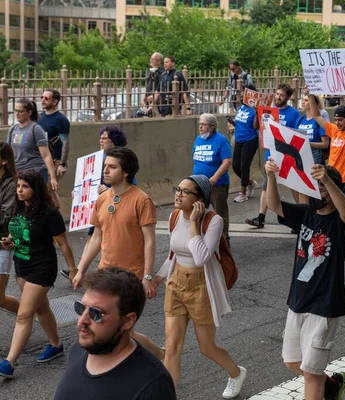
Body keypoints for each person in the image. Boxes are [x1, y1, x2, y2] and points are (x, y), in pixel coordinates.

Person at [152, 175, 247, 398]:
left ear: (200, 200)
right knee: (172, 346)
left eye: (186, 192)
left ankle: (236, 373)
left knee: (206, 347)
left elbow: (201, 256)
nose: (178, 194)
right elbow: (173, 255)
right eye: (178, 188)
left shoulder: (213, 221)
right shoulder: (174, 216)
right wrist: (156, 279)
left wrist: (194, 222)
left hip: (202, 287)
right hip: (176, 283)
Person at [265, 159, 345, 400]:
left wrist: (326, 179)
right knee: (293, 362)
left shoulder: (340, 222)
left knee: (311, 372)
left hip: (324, 305)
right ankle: (332, 385)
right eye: (315, 186)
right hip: (298, 300)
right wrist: (271, 176)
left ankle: (323, 387)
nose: (318, 191)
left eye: (323, 187)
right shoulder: (306, 214)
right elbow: (274, 205)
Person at [72, 147, 164, 360]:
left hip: (131, 277)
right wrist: (81, 269)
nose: (106, 170)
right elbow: (96, 237)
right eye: (105, 166)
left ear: (125, 172)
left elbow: (150, 241)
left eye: (112, 167)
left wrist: (148, 277)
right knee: (111, 327)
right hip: (105, 273)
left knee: (122, 329)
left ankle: (156, 356)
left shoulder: (142, 200)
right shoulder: (102, 199)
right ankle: (153, 356)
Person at [53, 267, 176, 400]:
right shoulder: (79, 350)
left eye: (96, 313)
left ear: (128, 321)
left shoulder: (153, 386)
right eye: (80, 308)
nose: (82, 320)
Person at [0, 170, 77, 378]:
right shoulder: (18, 208)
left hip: (42, 267)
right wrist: (10, 241)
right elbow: (17, 233)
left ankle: (10, 362)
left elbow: (63, 244)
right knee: (42, 309)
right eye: (18, 187)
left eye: (25, 186)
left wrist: (73, 269)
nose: (20, 190)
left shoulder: (49, 213)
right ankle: (56, 345)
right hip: (22, 266)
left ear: (35, 188)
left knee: (25, 314)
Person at [60, 126, 131, 281]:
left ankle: (114, 273)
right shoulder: (98, 159)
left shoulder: (123, 159)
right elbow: (88, 181)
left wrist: (108, 189)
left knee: (108, 239)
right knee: (94, 237)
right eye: (100, 137)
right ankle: (81, 271)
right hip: (101, 205)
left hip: (115, 207)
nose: (101, 140)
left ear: (114, 141)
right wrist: (79, 193)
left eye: (104, 138)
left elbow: (131, 184)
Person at [309, 86, 345, 261]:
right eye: (336, 119)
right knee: (327, 210)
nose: (338, 123)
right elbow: (316, 116)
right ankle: (330, 241)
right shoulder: (333, 130)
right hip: (330, 181)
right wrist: (311, 95)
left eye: (341, 120)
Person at [246, 83, 302, 226]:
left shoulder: (294, 113)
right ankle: (260, 217)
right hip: (272, 153)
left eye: (282, 95)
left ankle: (303, 214)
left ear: (288, 97)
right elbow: (256, 127)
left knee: (294, 186)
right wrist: (257, 113)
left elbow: (297, 134)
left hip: (287, 154)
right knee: (267, 186)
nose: (278, 97)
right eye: (277, 94)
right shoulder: (269, 110)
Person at [193, 114, 233, 242]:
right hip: (200, 183)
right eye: (199, 124)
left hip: (217, 184)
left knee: (220, 213)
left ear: (212, 127)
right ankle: (198, 237)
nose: (200, 127)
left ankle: (223, 239)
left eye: (203, 124)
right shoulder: (198, 140)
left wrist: (215, 178)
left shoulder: (221, 140)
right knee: (198, 211)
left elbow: (226, 161)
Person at [7, 98, 58, 191]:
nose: (17, 114)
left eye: (21, 111)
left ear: (29, 112)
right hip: (18, 173)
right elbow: (8, 152)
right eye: (16, 111)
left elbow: (46, 155)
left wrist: (53, 177)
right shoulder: (13, 129)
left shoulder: (36, 129)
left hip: (35, 172)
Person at [38, 89, 70, 209]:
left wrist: (62, 163)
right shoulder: (40, 117)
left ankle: (55, 218)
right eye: (42, 97)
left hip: (56, 160)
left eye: (46, 98)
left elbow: (65, 143)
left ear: (55, 101)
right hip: (43, 159)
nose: (43, 100)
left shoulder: (60, 119)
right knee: (48, 191)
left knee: (49, 189)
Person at [232, 84, 259, 204]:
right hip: (239, 139)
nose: (243, 95)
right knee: (235, 166)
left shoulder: (255, 109)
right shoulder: (242, 107)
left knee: (244, 166)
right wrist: (232, 123)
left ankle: (242, 193)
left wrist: (258, 113)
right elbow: (239, 122)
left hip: (250, 140)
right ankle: (250, 183)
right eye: (243, 92)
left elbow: (255, 126)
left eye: (246, 93)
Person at [0, 142, 18, 314]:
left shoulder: (12, 184)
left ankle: (25, 315)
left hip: (3, 242)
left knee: (0, 298)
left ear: (4, 160)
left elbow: (6, 215)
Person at [140, 52, 165, 117]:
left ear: (159, 61)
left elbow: (160, 88)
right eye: (151, 58)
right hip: (148, 101)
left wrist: (153, 99)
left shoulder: (162, 73)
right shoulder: (150, 72)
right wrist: (143, 99)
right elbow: (147, 86)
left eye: (153, 59)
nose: (151, 60)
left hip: (158, 102)